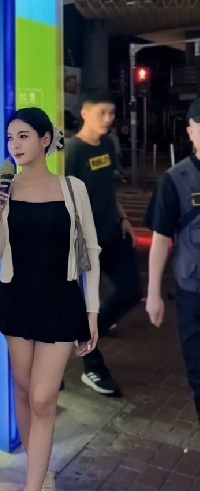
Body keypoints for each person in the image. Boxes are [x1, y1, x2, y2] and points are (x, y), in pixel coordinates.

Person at [0, 107, 100, 491]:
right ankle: (43, 481)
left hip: (59, 301)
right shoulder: (4, 190)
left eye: (24, 136)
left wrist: (92, 311)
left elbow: (91, 251)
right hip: (17, 299)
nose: (15, 144)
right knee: (21, 388)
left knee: (42, 398)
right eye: (10, 137)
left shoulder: (72, 189)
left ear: (46, 140)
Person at [65, 90, 142, 396]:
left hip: (112, 234)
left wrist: (123, 217)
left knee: (131, 292)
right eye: (102, 113)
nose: (108, 119)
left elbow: (108, 187)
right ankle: (93, 367)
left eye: (111, 113)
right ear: (85, 113)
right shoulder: (72, 151)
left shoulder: (108, 144)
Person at [144, 99, 200, 421]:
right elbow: (159, 240)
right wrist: (153, 293)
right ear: (190, 132)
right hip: (193, 294)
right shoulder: (175, 180)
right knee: (198, 375)